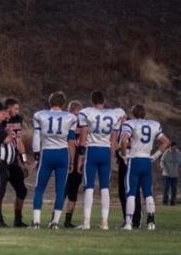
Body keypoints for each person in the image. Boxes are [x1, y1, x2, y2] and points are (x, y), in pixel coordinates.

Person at [75, 90, 125, 230]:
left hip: (92, 150)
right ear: (104, 100)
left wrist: (80, 157)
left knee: (89, 186)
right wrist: (113, 154)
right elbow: (114, 141)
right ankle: (104, 222)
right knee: (104, 187)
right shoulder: (114, 114)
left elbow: (83, 137)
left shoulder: (86, 112)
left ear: (92, 101)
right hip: (105, 151)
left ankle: (86, 222)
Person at [119, 104, 171, 230]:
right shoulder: (153, 124)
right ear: (144, 114)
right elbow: (166, 141)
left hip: (135, 160)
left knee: (131, 193)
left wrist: (124, 155)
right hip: (147, 160)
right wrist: (155, 156)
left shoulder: (130, 124)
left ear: (133, 114)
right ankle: (151, 223)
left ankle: (128, 223)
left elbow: (124, 141)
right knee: (148, 193)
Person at [30, 92, 77, 229]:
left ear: (50, 102)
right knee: (60, 189)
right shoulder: (71, 117)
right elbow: (71, 141)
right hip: (63, 154)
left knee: (39, 188)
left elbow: (36, 137)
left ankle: (37, 222)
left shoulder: (40, 115)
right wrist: (72, 161)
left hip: (47, 153)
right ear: (63, 103)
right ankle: (55, 222)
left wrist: (36, 155)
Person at [3, 98, 30, 227]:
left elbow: (18, 142)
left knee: (22, 190)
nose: (17, 111)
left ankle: (17, 219)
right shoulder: (0, 119)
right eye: (16, 108)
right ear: (8, 108)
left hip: (13, 160)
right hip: (1, 160)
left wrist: (24, 162)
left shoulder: (17, 119)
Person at [62, 100, 85, 228]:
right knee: (72, 191)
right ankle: (67, 220)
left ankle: (56, 219)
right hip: (76, 159)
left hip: (67, 157)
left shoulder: (66, 122)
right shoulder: (82, 124)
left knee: (65, 190)